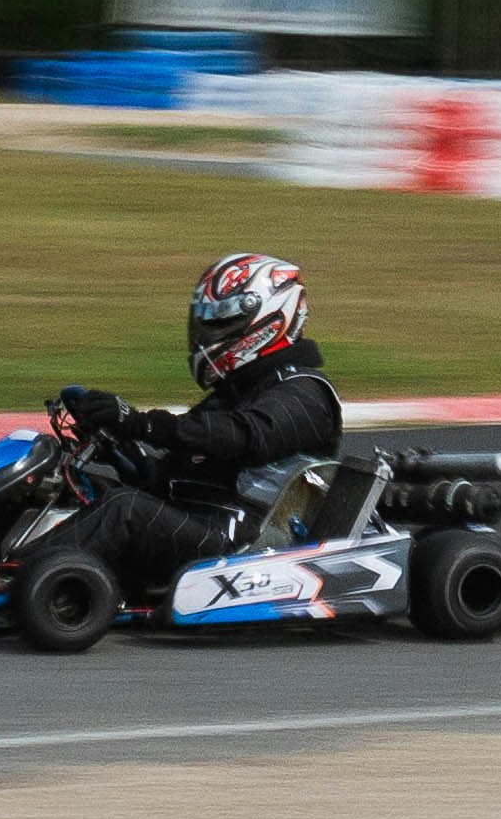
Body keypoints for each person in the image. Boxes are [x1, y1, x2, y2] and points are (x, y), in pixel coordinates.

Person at [28, 252, 343, 594]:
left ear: (270, 320)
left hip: (239, 543)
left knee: (125, 509)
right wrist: (120, 450)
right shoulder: (236, 391)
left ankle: (20, 579)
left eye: (221, 323)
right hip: (192, 520)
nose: (208, 335)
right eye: (205, 323)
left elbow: (242, 435)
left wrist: (142, 424)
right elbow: (172, 478)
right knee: (59, 483)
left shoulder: (307, 393)